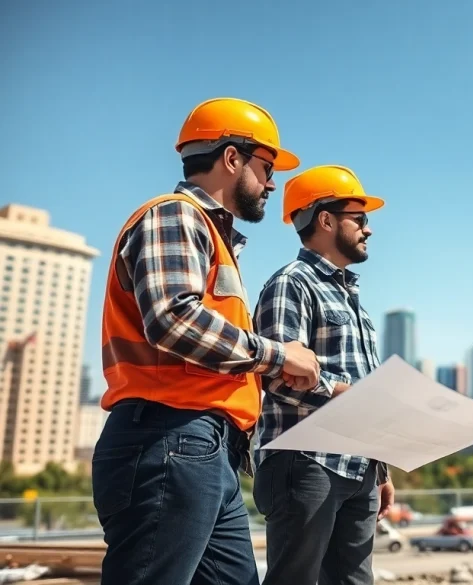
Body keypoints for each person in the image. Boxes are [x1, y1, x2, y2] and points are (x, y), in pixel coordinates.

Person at [93, 97, 320, 585]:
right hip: (167, 437)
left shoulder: (211, 238)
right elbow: (174, 319)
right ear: (232, 158)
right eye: (266, 166)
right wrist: (278, 355)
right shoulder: (175, 216)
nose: (272, 182)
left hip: (205, 448)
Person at [253, 165, 394, 585]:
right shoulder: (290, 284)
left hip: (359, 468)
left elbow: (363, 390)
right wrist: (342, 391)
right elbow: (276, 374)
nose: (368, 230)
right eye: (360, 218)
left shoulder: (351, 297)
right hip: (307, 463)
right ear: (326, 219)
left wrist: (380, 470)